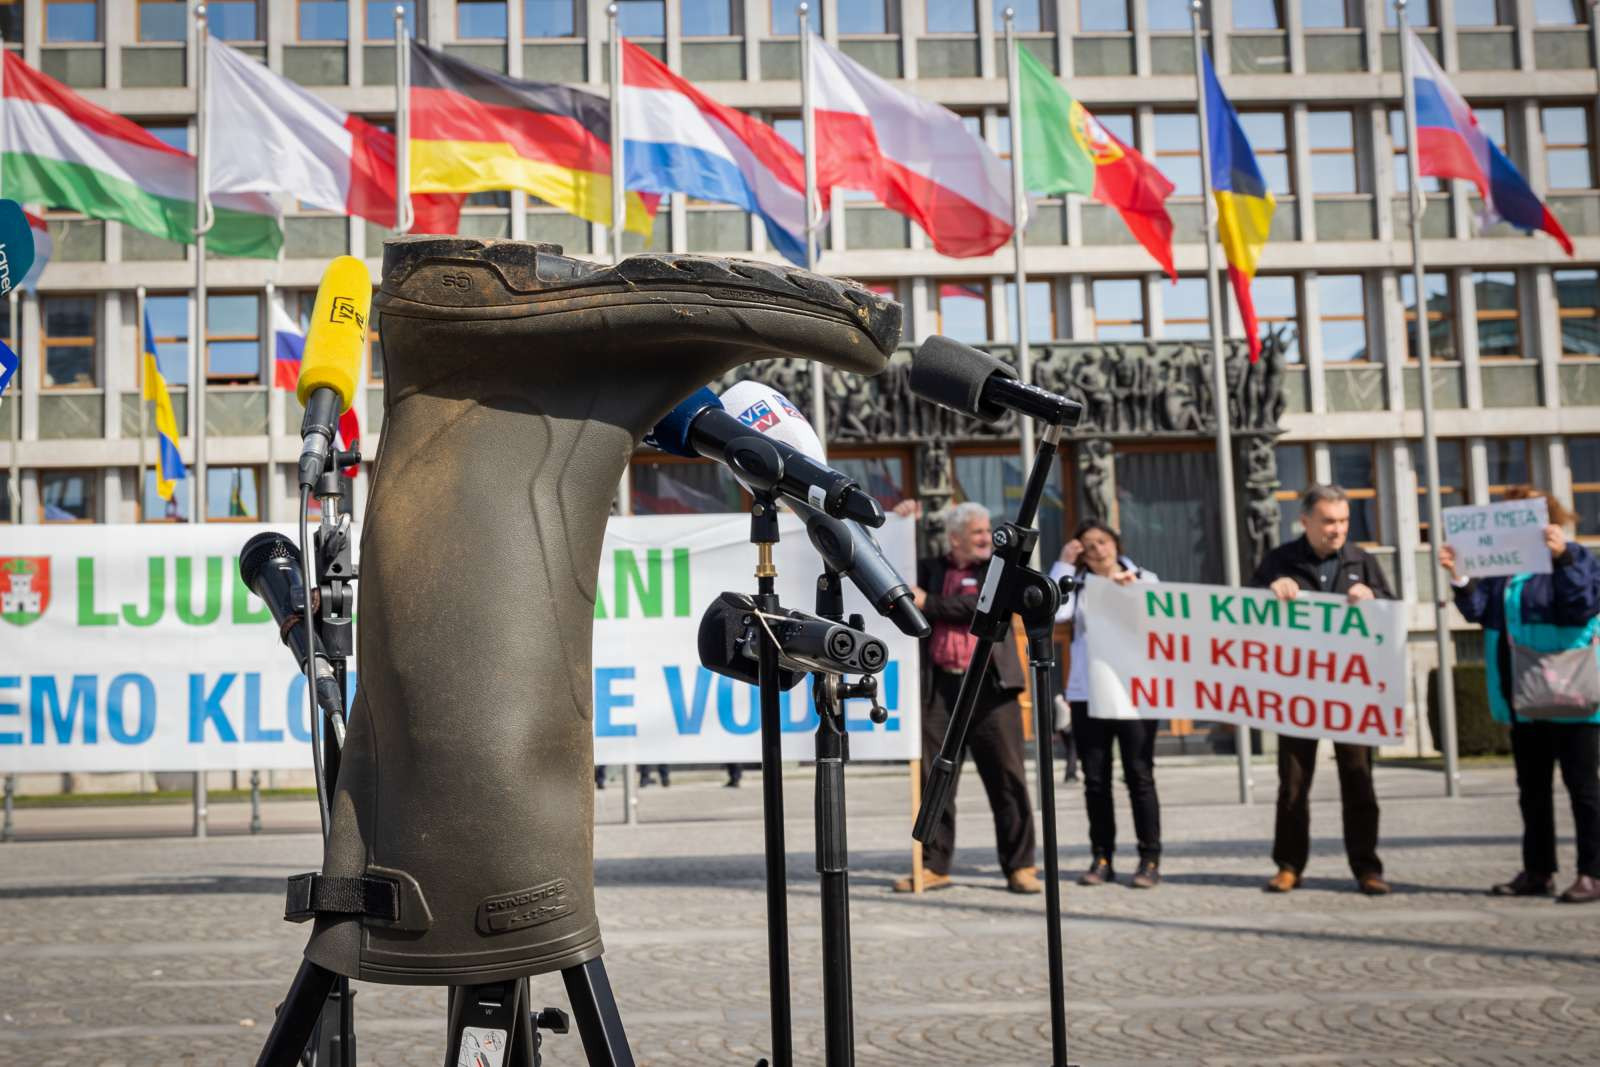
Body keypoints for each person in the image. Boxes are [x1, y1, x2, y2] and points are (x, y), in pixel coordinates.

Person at [1441, 487, 1600, 904]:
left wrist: (1562, 557)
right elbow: (1480, 612)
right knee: (1532, 790)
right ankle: (1538, 870)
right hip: (1523, 699)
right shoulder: (1504, 571)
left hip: (1573, 696)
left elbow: (1582, 604)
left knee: (1583, 788)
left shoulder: (1576, 557)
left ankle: (1593, 873)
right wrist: (1460, 576)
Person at [1251, 484, 1394, 896]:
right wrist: (1270, 591)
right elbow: (1244, 611)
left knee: (1359, 779)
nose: (1338, 529)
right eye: (1329, 521)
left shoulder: (1361, 561)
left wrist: (1374, 597)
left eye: (1344, 520)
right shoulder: (1281, 560)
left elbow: (1391, 607)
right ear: (1306, 522)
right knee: (1293, 785)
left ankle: (1367, 867)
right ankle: (1289, 865)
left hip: (1351, 692)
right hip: (1297, 692)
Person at [893, 501, 1040, 894]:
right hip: (939, 690)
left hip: (990, 690)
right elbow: (899, 577)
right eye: (976, 532)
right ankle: (934, 865)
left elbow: (984, 607)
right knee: (933, 781)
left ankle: (1020, 865)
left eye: (986, 530)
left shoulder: (998, 570)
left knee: (1008, 779)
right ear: (955, 537)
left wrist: (933, 604)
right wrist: (903, 522)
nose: (984, 538)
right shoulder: (929, 569)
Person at [1049, 521, 1163, 888]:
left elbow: (1159, 622)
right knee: (1095, 781)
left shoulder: (1145, 578)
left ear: (1116, 543)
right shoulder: (1079, 585)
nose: (1098, 550)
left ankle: (1149, 858)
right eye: (1088, 545)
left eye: (1103, 541)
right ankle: (1102, 857)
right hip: (1089, 694)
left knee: (1139, 776)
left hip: (1134, 695)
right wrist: (1065, 564)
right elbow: (1054, 614)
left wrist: (1130, 596)